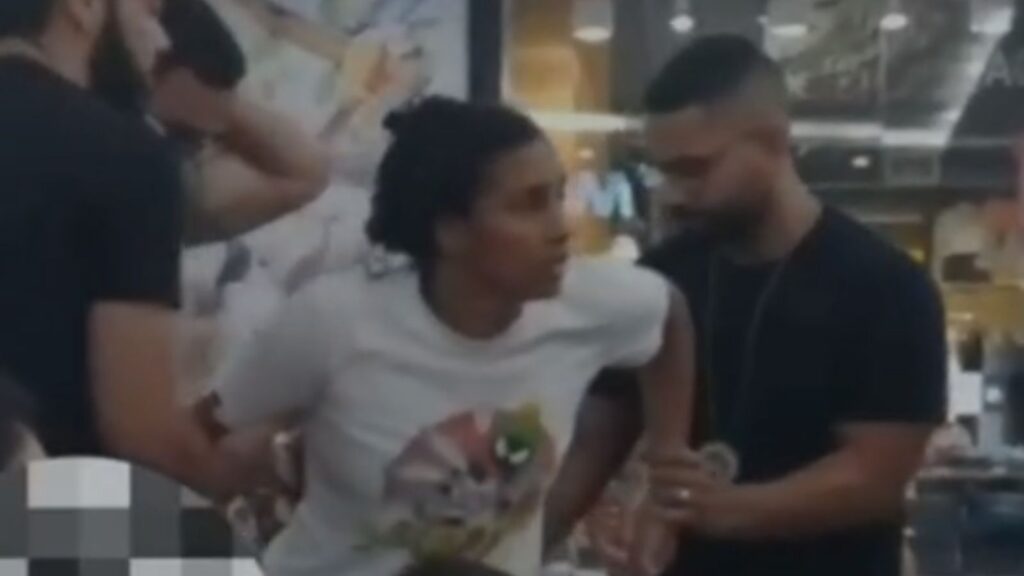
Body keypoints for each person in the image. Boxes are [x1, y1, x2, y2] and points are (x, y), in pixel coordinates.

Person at [196, 96, 696, 576]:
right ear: (450, 231)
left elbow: (668, 311)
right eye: (528, 205)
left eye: (557, 197)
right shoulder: (336, 320)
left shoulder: (589, 302)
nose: (560, 228)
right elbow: (201, 434)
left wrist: (667, 461)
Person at [554, 35, 948, 576]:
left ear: (773, 141)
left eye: (695, 169)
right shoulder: (661, 277)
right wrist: (508, 546)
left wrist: (714, 510)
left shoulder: (885, 286)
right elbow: (595, 440)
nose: (675, 192)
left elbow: (874, 478)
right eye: (665, 171)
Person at [0, 0, 239, 499]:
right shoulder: (127, 159)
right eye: (147, 10)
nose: (162, 39)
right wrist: (232, 474)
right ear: (83, 7)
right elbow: (141, 432)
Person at [151, 0, 329, 246]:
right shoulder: (142, 180)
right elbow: (304, 173)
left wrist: (212, 100)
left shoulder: (161, 180)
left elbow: (305, 172)